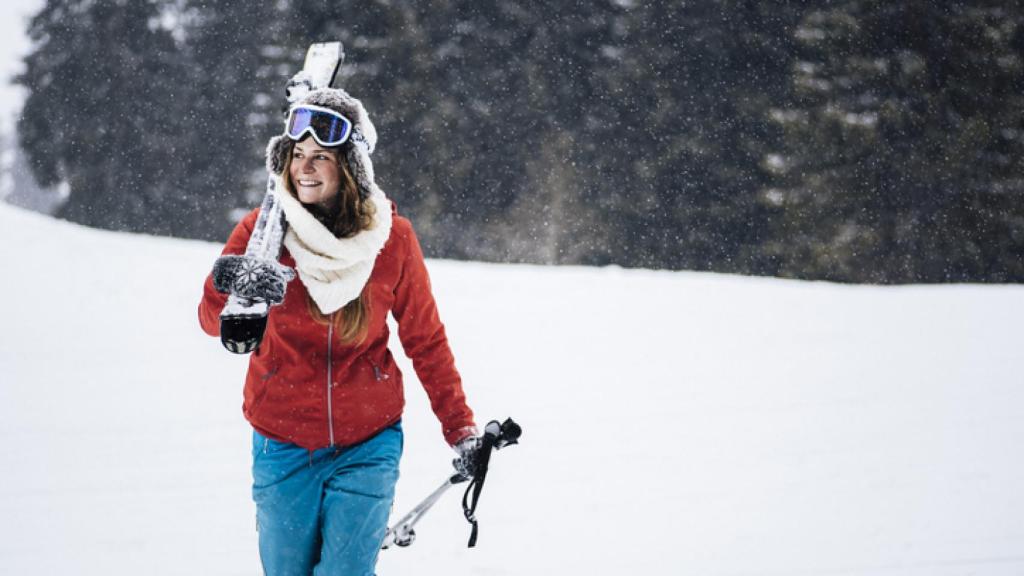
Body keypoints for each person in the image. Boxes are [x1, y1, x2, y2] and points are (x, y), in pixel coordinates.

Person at [198, 87, 479, 576]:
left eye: (320, 157)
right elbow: (210, 321)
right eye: (297, 155)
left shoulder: (391, 238)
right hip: (281, 442)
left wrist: (461, 430)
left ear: (349, 167)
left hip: (368, 441)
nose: (304, 167)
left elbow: (425, 339)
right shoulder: (261, 234)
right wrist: (234, 287)